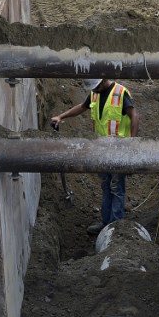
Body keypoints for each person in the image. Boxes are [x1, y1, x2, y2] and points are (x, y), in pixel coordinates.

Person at [51, 78, 140, 235]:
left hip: (118, 150)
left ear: (104, 80)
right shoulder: (95, 93)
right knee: (106, 186)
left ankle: (115, 228)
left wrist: (132, 144)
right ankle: (106, 223)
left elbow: (134, 116)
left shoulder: (119, 93)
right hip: (101, 150)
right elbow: (82, 107)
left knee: (117, 188)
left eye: (96, 87)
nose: (95, 91)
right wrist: (61, 117)